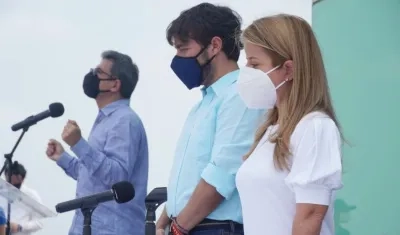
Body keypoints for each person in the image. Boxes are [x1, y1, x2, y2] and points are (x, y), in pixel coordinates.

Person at [156, 3, 266, 235]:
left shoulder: (240, 94)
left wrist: (178, 228)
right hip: (189, 226)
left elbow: (222, 174)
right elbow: (193, 173)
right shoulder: (205, 102)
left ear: (215, 45)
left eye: (183, 49)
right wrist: (166, 217)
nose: (177, 59)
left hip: (214, 228)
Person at [235, 14, 343, 235]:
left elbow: (310, 214)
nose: (246, 72)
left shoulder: (315, 127)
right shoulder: (270, 131)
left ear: (289, 69)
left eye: (254, 64)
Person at [45, 50, 149, 235]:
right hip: (89, 226)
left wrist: (78, 144)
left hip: (113, 229)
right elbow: (94, 177)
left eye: (99, 72)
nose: (92, 75)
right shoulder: (106, 120)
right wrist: (63, 157)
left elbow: (117, 178)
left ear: (115, 84)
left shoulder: (125, 121)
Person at [5, 161, 43, 235]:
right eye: (8, 181)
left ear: (22, 179)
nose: (11, 184)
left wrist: (20, 227)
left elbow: (39, 223)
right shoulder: (2, 192)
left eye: (15, 182)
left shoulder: (31, 195)